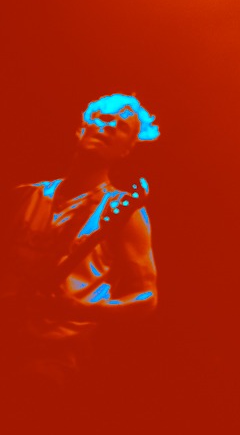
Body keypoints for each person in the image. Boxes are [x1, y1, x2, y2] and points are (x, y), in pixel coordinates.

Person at [3, 92, 159, 396]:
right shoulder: (22, 196)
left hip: (49, 359)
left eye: (122, 127)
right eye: (104, 118)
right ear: (81, 128)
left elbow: (147, 298)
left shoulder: (123, 212)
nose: (110, 126)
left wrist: (81, 308)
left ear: (127, 150)